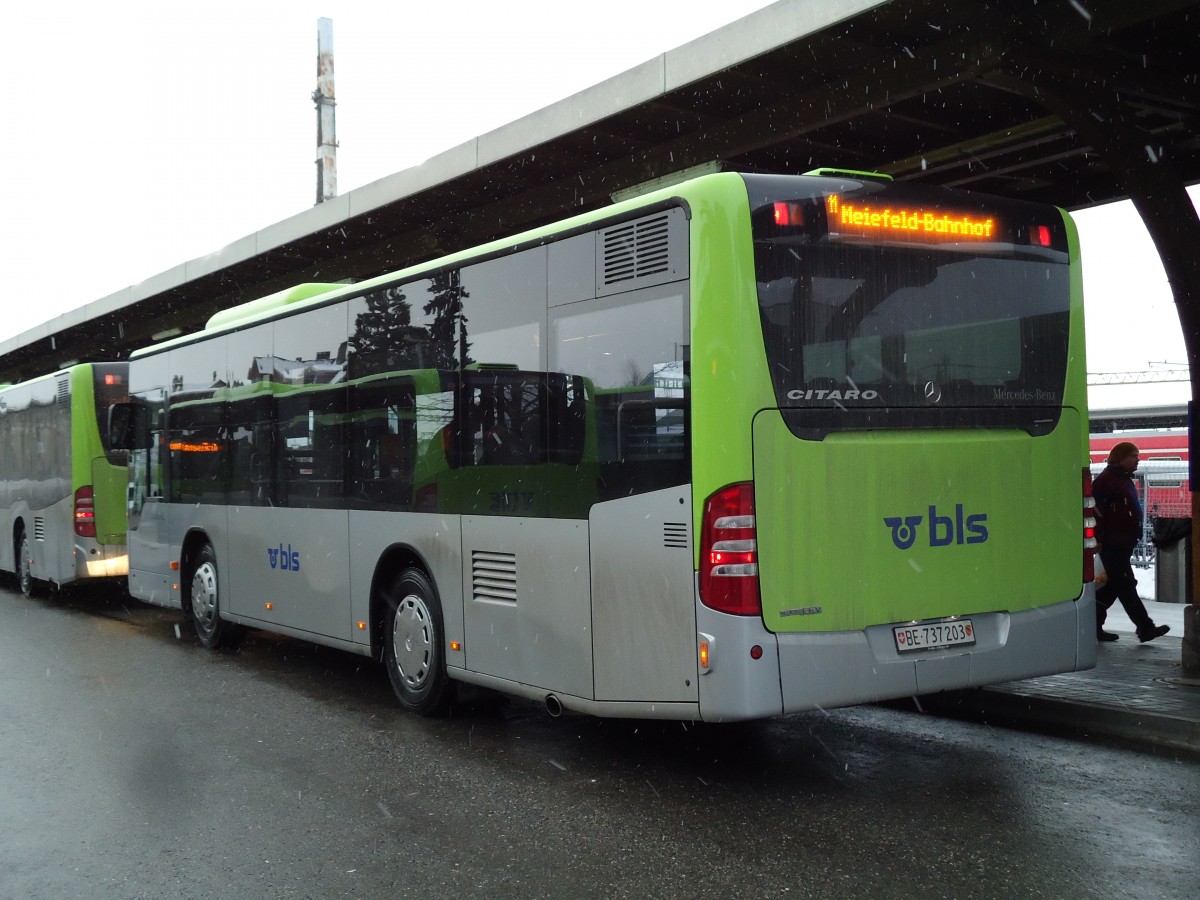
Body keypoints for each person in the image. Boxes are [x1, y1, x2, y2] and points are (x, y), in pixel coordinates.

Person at [1093, 441, 1170, 643]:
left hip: (1121, 543)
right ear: (1121, 457)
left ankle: (1092, 626)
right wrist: (1098, 538)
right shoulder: (1108, 480)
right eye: (1134, 456)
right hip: (1112, 544)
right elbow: (1097, 512)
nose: (1138, 460)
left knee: (1112, 586)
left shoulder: (1122, 479)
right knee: (1126, 585)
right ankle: (1145, 627)